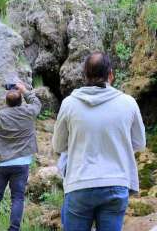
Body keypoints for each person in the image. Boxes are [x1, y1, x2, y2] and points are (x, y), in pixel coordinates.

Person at [52, 52, 146, 231]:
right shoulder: (129, 103)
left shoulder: (69, 104)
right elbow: (139, 143)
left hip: (79, 183)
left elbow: (58, 145)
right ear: (111, 74)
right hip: (116, 182)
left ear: (85, 76)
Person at [0, 82, 42, 231]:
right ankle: (14, 229)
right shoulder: (29, 111)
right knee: (18, 197)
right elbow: (36, 103)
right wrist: (25, 90)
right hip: (21, 163)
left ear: (6, 102)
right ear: (21, 100)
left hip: (1, 162)